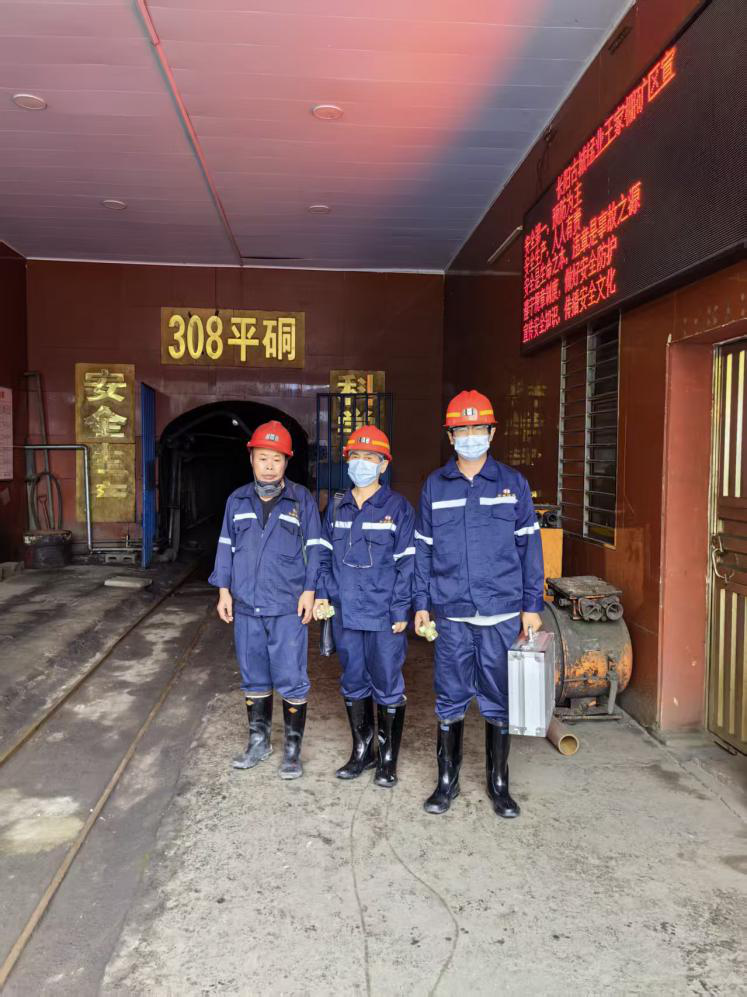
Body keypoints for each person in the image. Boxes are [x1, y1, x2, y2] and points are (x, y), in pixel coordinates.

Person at [414, 391, 545, 818]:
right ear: (450, 436)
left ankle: (498, 784)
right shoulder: (435, 486)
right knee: (450, 697)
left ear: (492, 432)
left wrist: (532, 604)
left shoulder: (513, 484)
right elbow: (423, 550)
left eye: (478, 428)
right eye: (462, 429)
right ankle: (446, 782)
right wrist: (421, 602)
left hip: (502, 613)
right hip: (452, 614)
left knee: (499, 699)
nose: (470, 436)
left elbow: (530, 548)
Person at [209, 420, 326, 780]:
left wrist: (310, 591)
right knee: (254, 676)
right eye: (263, 458)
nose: (270, 466)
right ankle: (259, 743)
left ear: (287, 462)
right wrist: (223, 590)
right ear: (251, 460)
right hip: (246, 605)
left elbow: (316, 548)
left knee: (291, 677)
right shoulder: (237, 500)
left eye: (277, 459)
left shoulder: (301, 500)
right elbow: (225, 547)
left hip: (287, 606)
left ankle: (292, 750)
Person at [314, 426, 415, 788]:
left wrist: (401, 609)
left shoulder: (398, 508)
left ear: (383, 465)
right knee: (353, 680)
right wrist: (325, 593)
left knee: (387, 683)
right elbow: (323, 556)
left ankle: (387, 760)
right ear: (347, 462)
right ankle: (363, 752)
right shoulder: (336, 507)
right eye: (356, 457)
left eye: (370, 458)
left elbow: (407, 563)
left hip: (384, 615)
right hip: (346, 613)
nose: (362, 464)